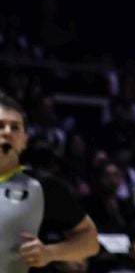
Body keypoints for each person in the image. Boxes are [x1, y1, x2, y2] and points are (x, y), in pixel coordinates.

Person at [0, 95, 100, 273]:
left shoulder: (44, 187)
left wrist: (49, 253)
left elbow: (90, 242)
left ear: (24, 141)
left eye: (15, 127)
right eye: (0, 126)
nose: (7, 132)